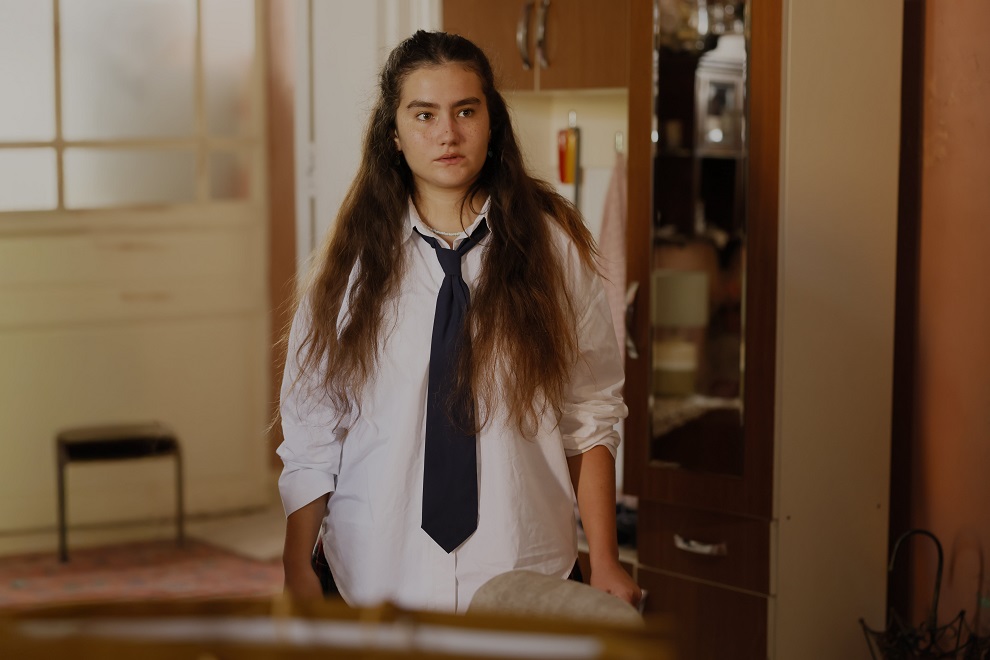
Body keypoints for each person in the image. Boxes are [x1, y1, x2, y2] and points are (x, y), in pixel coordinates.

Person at [277, 29, 641, 614]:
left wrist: (605, 557)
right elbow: (313, 431)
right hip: (375, 569)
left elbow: (590, 411)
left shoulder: (553, 250)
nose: (447, 133)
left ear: (492, 121)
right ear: (393, 133)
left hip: (521, 566)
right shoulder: (348, 267)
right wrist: (296, 565)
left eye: (466, 111)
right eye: (424, 115)